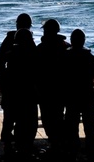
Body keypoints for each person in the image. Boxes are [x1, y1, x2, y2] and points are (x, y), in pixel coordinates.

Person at [0, 13, 32, 156]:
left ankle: (10, 143)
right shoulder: (28, 41)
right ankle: (19, 144)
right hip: (22, 86)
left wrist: (1, 82)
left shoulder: (10, 41)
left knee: (10, 117)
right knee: (22, 118)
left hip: (12, 85)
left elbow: (0, 64)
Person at [64, 28, 94, 161]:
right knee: (89, 124)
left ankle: (73, 148)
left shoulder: (66, 56)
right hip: (86, 93)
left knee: (71, 124)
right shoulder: (88, 56)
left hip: (71, 93)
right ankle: (90, 149)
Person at [35, 19, 69, 155]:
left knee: (47, 117)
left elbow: (35, 70)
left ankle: (54, 143)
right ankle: (59, 143)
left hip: (45, 89)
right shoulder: (66, 46)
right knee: (59, 115)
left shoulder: (41, 48)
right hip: (61, 88)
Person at [6, 27, 39, 158]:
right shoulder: (33, 53)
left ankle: (19, 146)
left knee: (19, 121)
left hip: (16, 92)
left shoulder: (12, 54)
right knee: (30, 122)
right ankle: (27, 146)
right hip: (29, 92)